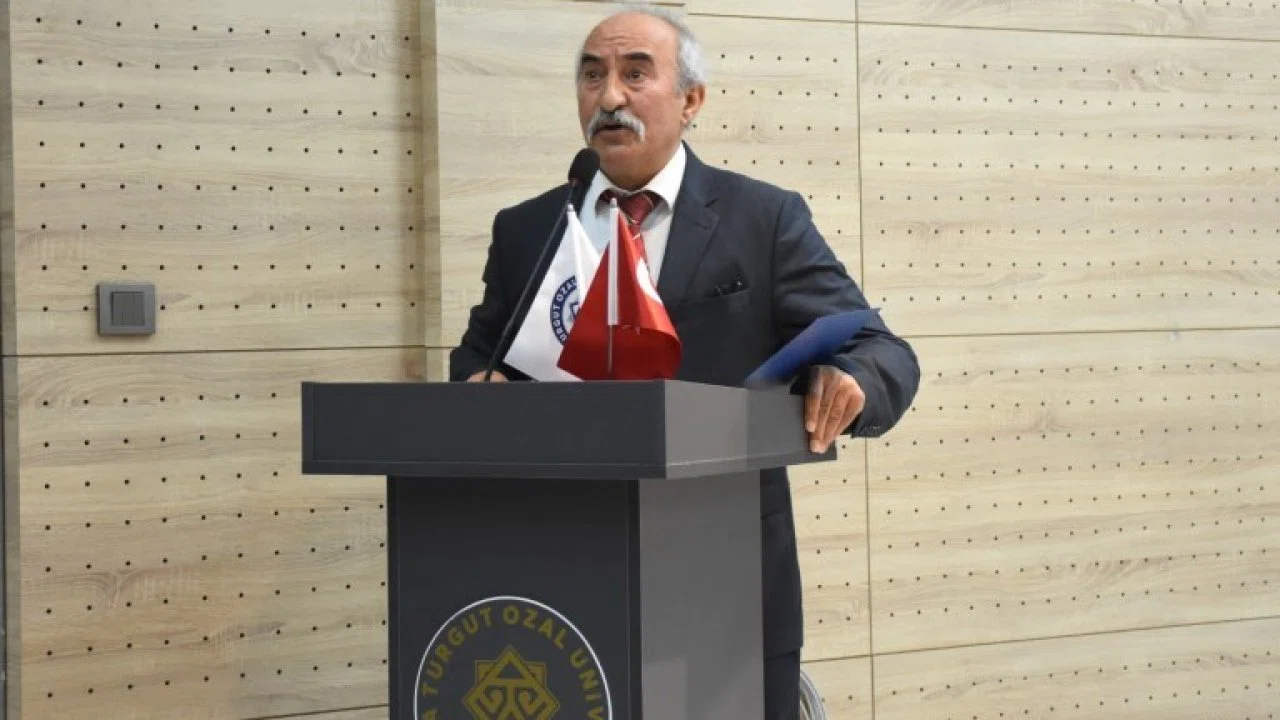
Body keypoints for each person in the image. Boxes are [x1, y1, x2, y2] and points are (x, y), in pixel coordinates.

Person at [448, 4, 920, 718]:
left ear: (691, 100)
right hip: (559, 563)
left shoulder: (761, 219)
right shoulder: (530, 228)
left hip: (725, 574)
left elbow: (882, 348)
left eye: (635, 74)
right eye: (592, 76)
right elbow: (481, 355)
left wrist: (852, 378)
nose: (609, 96)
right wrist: (478, 382)